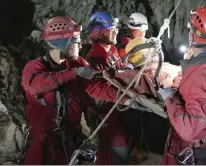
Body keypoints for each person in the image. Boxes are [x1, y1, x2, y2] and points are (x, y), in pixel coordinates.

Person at [21, 16, 128, 165]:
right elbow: (36, 85)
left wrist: (125, 97)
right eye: (76, 41)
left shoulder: (77, 64)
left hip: (70, 144)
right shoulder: (35, 67)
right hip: (43, 148)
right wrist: (74, 73)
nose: (81, 46)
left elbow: (95, 88)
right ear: (63, 44)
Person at [158, 5, 206, 165]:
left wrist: (169, 97)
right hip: (194, 147)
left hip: (195, 152)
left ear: (194, 35)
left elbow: (189, 129)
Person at [84, 11, 133, 165]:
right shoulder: (94, 59)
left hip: (119, 113)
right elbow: (96, 91)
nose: (116, 31)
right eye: (111, 29)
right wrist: (124, 97)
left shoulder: (111, 52)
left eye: (115, 29)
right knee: (117, 150)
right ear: (99, 32)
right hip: (106, 118)